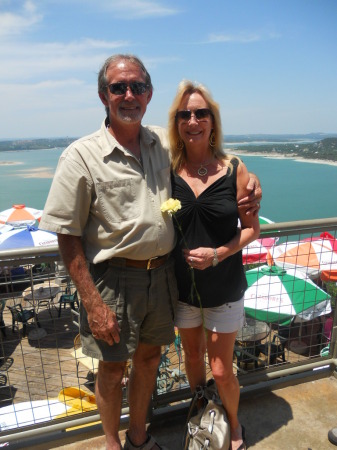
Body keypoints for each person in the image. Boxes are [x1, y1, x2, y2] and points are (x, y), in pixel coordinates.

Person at [40, 54, 261, 450]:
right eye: (118, 87)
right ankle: (112, 443)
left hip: (163, 277)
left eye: (138, 87)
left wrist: (250, 183)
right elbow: (67, 235)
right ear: (102, 95)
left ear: (149, 94)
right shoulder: (81, 155)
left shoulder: (162, 143)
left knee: (147, 362)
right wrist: (91, 302)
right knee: (111, 370)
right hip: (113, 280)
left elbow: (213, 162)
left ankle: (138, 437)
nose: (129, 95)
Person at [168, 80, 261, 450]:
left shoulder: (235, 169)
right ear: (177, 123)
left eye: (201, 113)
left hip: (224, 286)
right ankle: (203, 413)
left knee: (221, 369)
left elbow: (252, 229)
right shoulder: (169, 169)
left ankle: (234, 424)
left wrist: (218, 254)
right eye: (185, 114)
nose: (193, 120)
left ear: (212, 121)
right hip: (183, 288)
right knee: (192, 357)